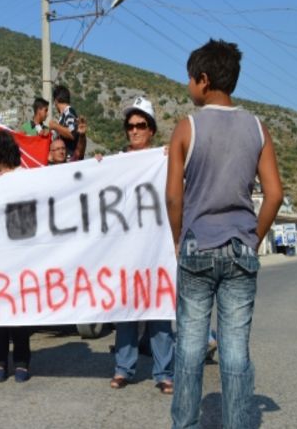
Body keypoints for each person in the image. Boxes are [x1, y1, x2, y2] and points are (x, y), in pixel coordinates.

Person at [167, 39, 282, 428]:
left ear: (203, 79)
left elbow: (172, 197)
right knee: (235, 353)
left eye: (189, 79)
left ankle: (185, 424)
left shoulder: (187, 127)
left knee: (190, 349)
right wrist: (253, 237)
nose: (188, 86)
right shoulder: (257, 128)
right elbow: (275, 194)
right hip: (240, 248)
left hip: (198, 245)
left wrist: (178, 241)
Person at [108, 97, 175, 394]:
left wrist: (174, 157)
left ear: (151, 130)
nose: (134, 131)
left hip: (156, 248)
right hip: (125, 249)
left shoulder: (164, 160)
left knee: (159, 311)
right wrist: (96, 168)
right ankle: (124, 368)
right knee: (126, 311)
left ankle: (164, 372)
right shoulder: (115, 163)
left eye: (140, 125)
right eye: (129, 126)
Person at [0, 131, 31, 383]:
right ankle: (0, 360)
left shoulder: (25, 177)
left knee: (19, 309)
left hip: (20, 254)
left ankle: (22, 360)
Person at [48, 85, 79, 159]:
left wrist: (55, 126)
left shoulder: (69, 113)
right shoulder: (64, 115)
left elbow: (72, 133)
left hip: (70, 159)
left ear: (56, 101)